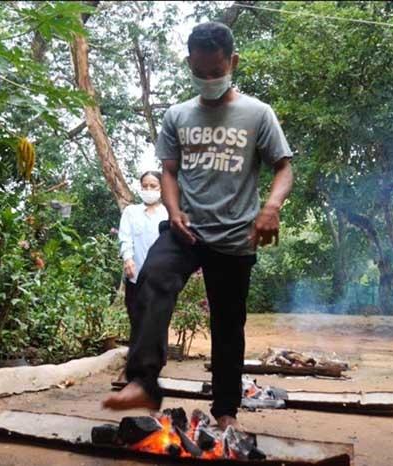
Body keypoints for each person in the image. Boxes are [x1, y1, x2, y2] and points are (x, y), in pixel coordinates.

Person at [103, 21, 294, 431]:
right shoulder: (177, 115)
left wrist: (272, 206)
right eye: (201, 72)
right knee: (151, 278)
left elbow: (284, 168)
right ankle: (144, 381)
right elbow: (168, 171)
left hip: (235, 235)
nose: (209, 80)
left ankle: (226, 411)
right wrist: (173, 211)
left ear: (233, 62)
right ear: (189, 63)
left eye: (217, 71)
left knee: (228, 323)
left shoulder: (258, 114)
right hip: (185, 229)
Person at [118, 171, 168, 350]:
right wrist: (128, 259)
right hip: (135, 275)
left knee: (157, 322)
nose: (148, 190)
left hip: (160, 277)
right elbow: (125, 238)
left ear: (161, 188)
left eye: (153, 186)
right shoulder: (131, 212)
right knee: (136, 319)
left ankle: (155, 364)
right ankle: (135, 364)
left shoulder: (168, 214)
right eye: (145, 186)